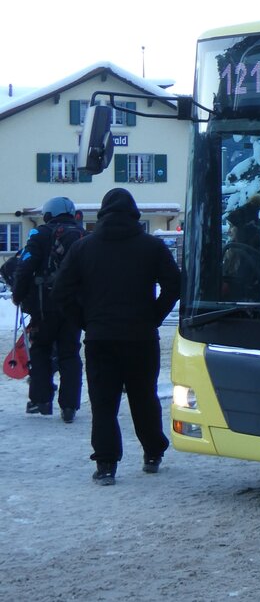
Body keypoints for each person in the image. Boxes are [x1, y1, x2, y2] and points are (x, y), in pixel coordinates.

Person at [53, 188, 181, 486]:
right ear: (134, 213)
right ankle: (152, 452)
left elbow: (61, 292)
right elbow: (174, 284)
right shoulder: (151, 247)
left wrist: (85, 321)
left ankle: (106, 464)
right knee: (144, 396)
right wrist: (154, 316)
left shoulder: (84, 248)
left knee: (103, 402)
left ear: (102, 213)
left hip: (100, 338)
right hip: (141, 337)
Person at [12, 196, 85, 421]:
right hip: (74, 306)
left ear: (48, 213)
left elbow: (25, 267)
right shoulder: (84, 236)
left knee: (41, 350)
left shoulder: (39, 234)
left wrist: (18, 295)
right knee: (70, 353)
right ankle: (70, 406)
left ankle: (41, 401)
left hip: (44, 306)